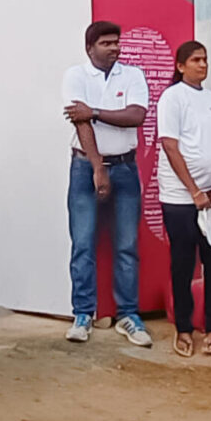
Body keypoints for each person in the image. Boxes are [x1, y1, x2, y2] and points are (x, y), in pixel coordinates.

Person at [61, 20, 154, 349]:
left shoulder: (133, 75)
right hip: (85, 167)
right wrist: (98, 168)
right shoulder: (76, 75)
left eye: (116, 42)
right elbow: (79, 120)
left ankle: (128, 314)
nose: (114, 47)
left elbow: (136, 116)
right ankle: (83, 314)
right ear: (90, 48)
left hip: (126, 169)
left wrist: (95, 111)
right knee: (83, 244)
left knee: (126, 246)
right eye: (106, 43)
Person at [156, 38, 211, 357]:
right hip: (181, 198)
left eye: (205, 59)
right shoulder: (172, 98)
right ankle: (183, 328)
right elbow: (170, 146)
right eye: (196, 60)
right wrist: (194, 191)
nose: (203, 64)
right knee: (183, 264)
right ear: (180, 66)